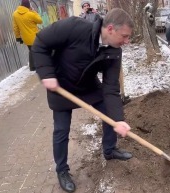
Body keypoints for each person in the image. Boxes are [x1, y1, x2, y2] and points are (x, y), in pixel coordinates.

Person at [32, 8, 134, 192]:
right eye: (125, 36)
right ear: (110, 29)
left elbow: (110, 88)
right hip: (61, 86)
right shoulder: (74, 27)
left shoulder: (114, 51)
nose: (127, 42)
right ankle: (62, 170)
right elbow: (40, 42)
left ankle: (109, 150)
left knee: (107, 112)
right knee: (61, 130)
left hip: (88, 86)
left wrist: (118, 119)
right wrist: (46, 73)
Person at [12, 0, 42, 71]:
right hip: (34, 36)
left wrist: (18, 37)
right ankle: (34, 66)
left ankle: (33, 66)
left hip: (25, 37)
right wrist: (33, 11)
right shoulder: (30, 14)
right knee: (35, 51)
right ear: (28, 5)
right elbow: (40, 21)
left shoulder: (15, 14)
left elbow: (15, 27)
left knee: (31, 50)